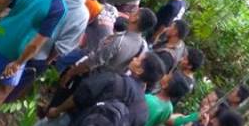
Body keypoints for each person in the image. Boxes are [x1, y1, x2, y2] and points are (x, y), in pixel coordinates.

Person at [5, 0, 90, 103]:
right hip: (39, 55)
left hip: (16, 38)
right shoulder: (82, 14)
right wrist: (47, 61)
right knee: (7, 91)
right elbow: (61, 47)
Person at [38, 52, 166, 126]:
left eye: (138, 59)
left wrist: (57, 110)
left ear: (139, 70)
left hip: (74, 120)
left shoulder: (113, 80)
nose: (134, 58)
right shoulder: (143, 111)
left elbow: (79, 96)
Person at [60, 8, 157, 85]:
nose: (132, 11)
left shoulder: (119, 41)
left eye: (136, 11)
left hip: (91, 79)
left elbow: (92, 62)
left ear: (136, 18)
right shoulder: (143, 46)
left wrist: (70, 73)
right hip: (110, 84)